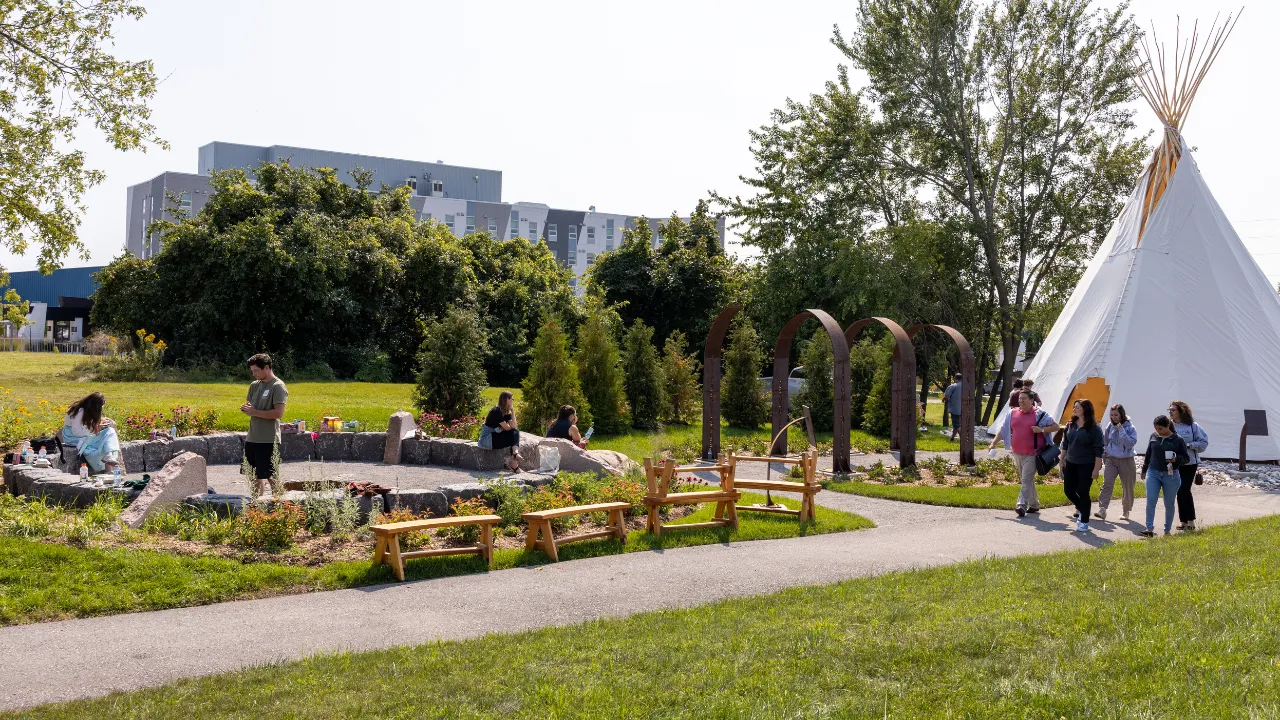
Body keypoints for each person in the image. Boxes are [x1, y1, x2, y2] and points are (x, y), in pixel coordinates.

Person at [240, 353, 288, 495]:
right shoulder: (254, 385)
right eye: (252, 371)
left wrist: (254, 412)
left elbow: (278, 413)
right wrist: (247, 409)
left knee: (271, 476)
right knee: (253, 475)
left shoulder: (278, 386)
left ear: (266, 367)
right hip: (252, 437)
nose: (254, 374)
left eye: (256, 370)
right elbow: (251, 406)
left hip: (268, 439)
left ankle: (279, 506)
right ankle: (257, 506)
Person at [1007, 390, 1059, 518]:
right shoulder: (1013, 413)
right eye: (1020, 399)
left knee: (1026, 480)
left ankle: (1021, 505)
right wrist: (994, 443)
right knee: (1027, 480)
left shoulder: (1039, 414)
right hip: (1017, 452)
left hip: (1033, 453)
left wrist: (1041, 430)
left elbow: (1056, 426)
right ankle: (1035, 505)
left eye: (1024, 398)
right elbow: (1004, 429)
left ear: (1032, 401)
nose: (1021, 401)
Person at [1141, 415, 1191, 537]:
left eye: (1161, 428)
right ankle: (1149, 529)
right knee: (1151, 500)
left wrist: (1176, 459)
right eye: (1156, 428)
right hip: (1153, 472)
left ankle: (1167, 530)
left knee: (1169, 503)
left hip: (1171, 475)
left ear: (1168, 426)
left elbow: (1186, 458)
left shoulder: (1178, 440)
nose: (1158, 431)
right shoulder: (1153, 437)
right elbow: (1148, 453)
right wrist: (1144, 469)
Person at [1060, 399, 1104, 532]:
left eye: (1077, 407)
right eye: (1074, 407)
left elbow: (1098, 449)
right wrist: (1062, 459)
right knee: (1068, 490)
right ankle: (1084, 509)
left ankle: (1084, 520)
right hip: (1071, 463)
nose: (1074, 409)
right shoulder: (1070, 425)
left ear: (1085, 409)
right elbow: (1065, 443)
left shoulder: (1094, 429)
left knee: (1083, 491)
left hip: (1086, 464)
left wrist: (1096, 469)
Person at [1168, 400, 1208, 531]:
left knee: (1185, 489)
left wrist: (1189, 446)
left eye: (1173, 410)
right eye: (1170, 410)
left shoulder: (1193, 426)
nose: (1171, 412)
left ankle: (1191, 521)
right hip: (1175, 462)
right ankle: (1183, 521)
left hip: (1190, 463)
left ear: (1181, 411)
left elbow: (1203, 442)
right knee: (1178, 490)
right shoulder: (1170, 426)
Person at [1097, 404, 1138, 521]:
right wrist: (1105, 458)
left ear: (1122, 415)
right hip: (1111, 459)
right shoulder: (1109, 426)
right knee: (1107, 483)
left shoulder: (1130, 428)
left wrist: (1121, 430)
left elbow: (1129, 444)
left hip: (1126, 460)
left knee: (1127, 486)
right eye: (1112, 415)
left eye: (1116, 415)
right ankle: (1102, 509)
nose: (1113, 417)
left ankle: (1126, 511)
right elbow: (1105, 442)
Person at [62, 392, 120, 473]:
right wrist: (95, 429)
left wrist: (99, 423)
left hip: (83, 434)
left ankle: (108, 456)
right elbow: (76, 432)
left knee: (110, 431)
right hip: (72, 437)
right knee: (102, 442)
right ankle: (108, 468)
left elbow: (85, 424)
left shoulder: (86, 409)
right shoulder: (80, 411)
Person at [480, 390, 521, 472]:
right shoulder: (496, 411)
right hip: (487, 440)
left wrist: (513, 412)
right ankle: (514, 462)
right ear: (507, 399)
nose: (512, 401)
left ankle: (515, 454)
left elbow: (513, 426)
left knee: (515, 432)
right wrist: (510, 428)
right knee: (513, 434)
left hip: (495, 436)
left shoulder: (505, 411)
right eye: (512, 399)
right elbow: (507, 428)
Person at [942, 374, 963, 440]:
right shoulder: (966, 386)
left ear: (955, 378)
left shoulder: (953, 386)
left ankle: (964, 440)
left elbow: (947, 395)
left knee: (957, 425)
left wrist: (943, 399)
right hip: (964, 409)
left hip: (955, 409)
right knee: (955, 425)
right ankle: (952, 438)